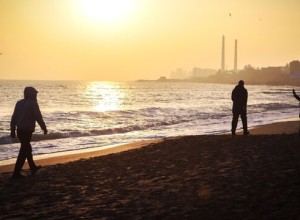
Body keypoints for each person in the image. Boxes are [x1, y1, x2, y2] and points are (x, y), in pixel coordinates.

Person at [10, 87, 48, 178]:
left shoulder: (19, 103)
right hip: (27, 130)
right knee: (24, 150)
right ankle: (16, 172)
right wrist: (44, 128)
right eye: (35, 94)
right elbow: (38, 117)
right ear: (30, 94)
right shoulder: (33, 104)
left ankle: (32, 167)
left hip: (19, 130)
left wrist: (12, 130)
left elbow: (14, 117)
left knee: (27, 148)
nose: (36, 95)